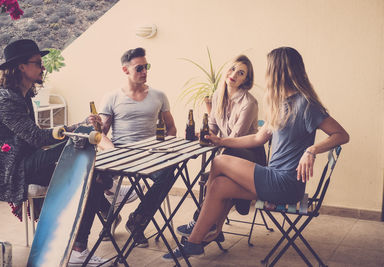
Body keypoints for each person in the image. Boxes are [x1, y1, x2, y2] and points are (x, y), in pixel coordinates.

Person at [163, 46, 350, 260]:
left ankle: (206, 225)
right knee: (218, 186)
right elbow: (257, 138)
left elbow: (342, 135)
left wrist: (312, 150)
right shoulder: (280, 103)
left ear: (279, 71)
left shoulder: (306, 105)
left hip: (285, 184)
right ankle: (198, 241)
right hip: (273, 179)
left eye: (269, 68)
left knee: (220, 162)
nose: (266, 74)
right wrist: (221, 140)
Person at [0, 39, 112, 266]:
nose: (42, 68)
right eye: (37, 63)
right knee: (79, 146)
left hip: (26, 161)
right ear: (21, 67)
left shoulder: (22, 97)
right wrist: (79, 132)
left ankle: (78, 246)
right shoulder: (4, 99)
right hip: (8, 170)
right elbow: (37, 137)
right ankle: (108, 201)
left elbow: (38, 137)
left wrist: (78, 126)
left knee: (93, 179)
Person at [176, 55, 267, 241]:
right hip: (229, 152)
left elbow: (235, 138)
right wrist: (200, 135)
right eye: (233, 69)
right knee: (220, 174)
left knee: (220, 167)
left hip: (249, 155)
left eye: (240, 73)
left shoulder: (249, 103)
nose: (234, 74)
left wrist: (216, 140)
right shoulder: (217, 96)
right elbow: (213, 127)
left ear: (245, 80)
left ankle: (200, 221)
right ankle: (213, 227)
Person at [98, 47, 177, 247]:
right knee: (93, 176)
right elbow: (100, 134)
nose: (144, 71)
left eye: (146, 67)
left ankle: (138, 221)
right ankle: (109, 215)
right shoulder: (112, 97)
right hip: (120, 153)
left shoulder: (159, 95)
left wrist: (164, 147)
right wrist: (113, 152)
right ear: (126, 70)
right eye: (139, 68)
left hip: (150, 154)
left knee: (168, 172)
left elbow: (171, 128)